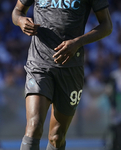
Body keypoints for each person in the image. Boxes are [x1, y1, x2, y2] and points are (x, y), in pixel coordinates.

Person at [12, 0, 113, 149]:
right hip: (39, 64)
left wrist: (78, 42)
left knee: (56, 136)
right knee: (34, 126)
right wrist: (21, 21)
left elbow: (107, 26)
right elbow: (17, 11)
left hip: (71, 67)